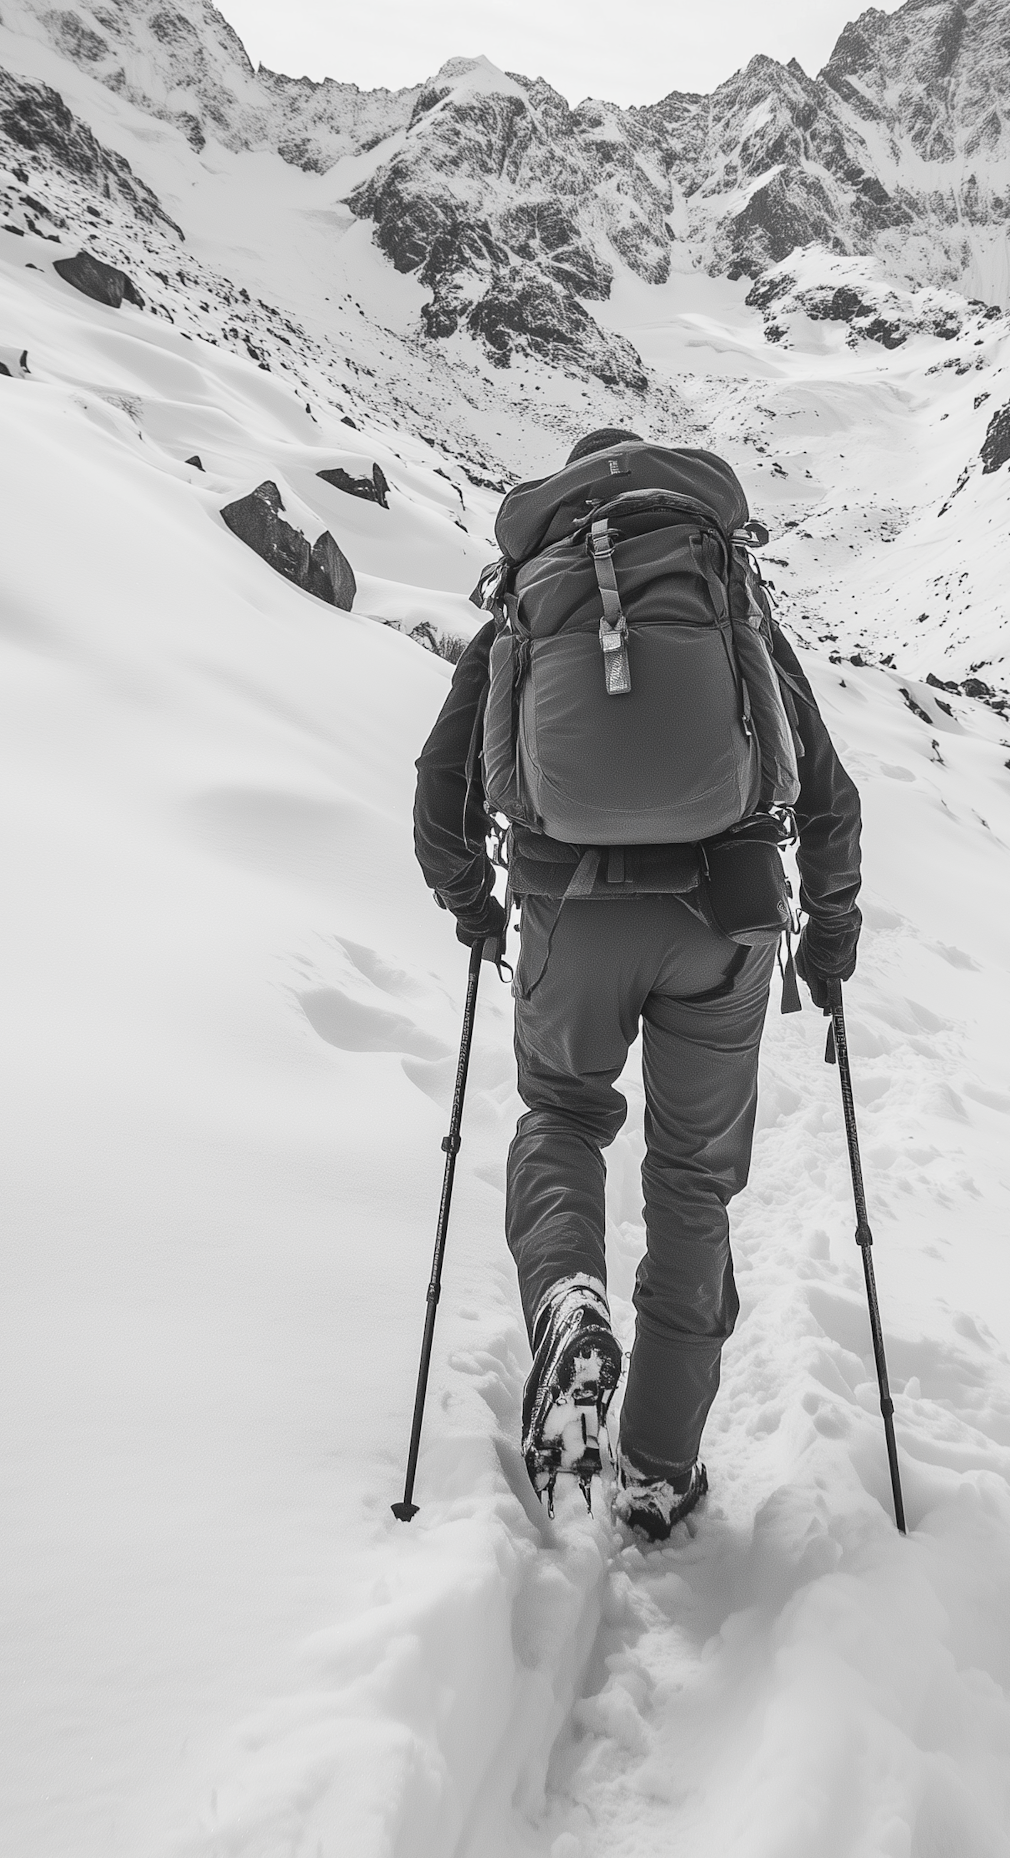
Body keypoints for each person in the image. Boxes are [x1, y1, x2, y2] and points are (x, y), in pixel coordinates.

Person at [413, 430, 861, 1539]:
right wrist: (831, 941)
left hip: (573, 914)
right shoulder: (728, 599)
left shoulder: (530, 600)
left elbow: (441, 788)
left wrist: (477, 905)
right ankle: (659, 1473)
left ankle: (568, 1301)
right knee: (692, 1185)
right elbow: (827, 794)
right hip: (725, 918)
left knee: (563, 1115)